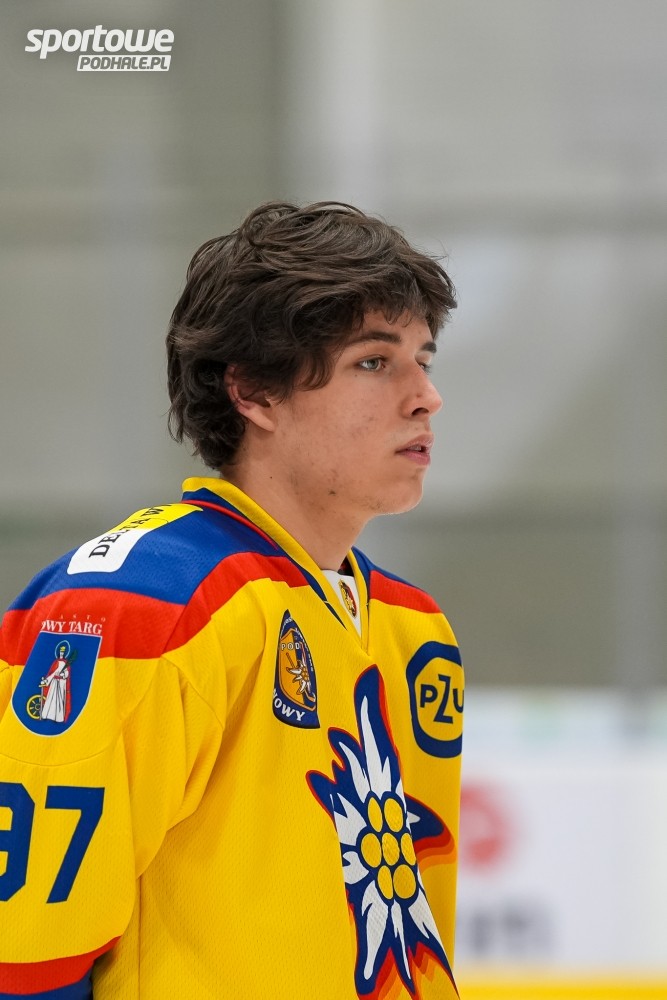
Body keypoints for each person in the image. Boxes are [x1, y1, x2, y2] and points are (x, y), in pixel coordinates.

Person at [0, 201, 464, 999]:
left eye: (423, 358)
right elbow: (27, 942)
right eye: (373, 362)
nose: (426, 396)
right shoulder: (142, 602)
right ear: (254, 392)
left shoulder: (412, 626)